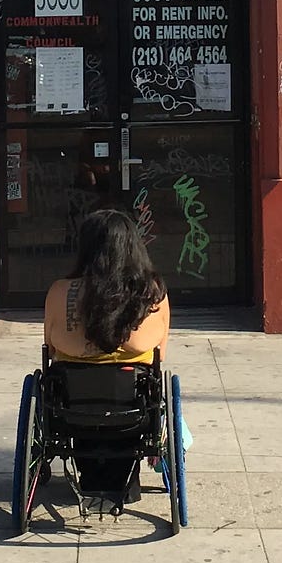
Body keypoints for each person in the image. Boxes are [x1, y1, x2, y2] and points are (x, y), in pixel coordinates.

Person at [43, 207, 170, 503]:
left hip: (73, 410)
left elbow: (50, 350)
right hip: (133, 412)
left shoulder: (60, 292)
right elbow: (159, 358)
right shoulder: (153, 294)